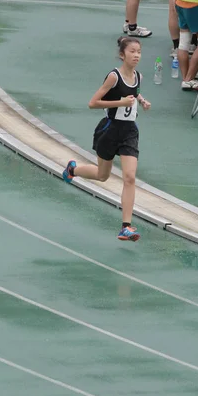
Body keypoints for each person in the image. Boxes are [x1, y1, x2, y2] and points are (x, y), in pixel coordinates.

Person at [62, 36, 151, 242]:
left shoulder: (139, 77)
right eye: (132, 52)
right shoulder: (113, 77)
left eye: (139, 52)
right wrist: (120, 103)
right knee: (103, 176)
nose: (136, 55)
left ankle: (126, 227)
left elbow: (134, 93)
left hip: (130, 132)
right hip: (109, 130)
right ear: (122, 54)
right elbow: (93, 103)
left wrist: (142, 101)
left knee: (129, 177)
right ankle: (72, 170)